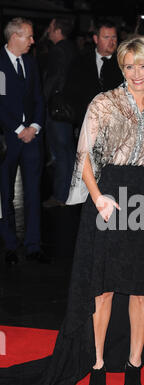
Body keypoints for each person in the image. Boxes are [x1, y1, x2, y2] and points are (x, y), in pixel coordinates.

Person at [0, 35, 144, 385]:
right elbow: (85, 157)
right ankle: (96, 363)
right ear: (121, 67)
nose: (136, 73)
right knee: (104, 287)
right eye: (129, 66)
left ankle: (134, 361)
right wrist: (98, 198)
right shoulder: (104, 102)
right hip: (108, 194)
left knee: (142, 289)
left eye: (143, 65)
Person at [0, 18, 46, 266]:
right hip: (9, 139)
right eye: (28, 36)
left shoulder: (30, 62)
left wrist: (35, 127)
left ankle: (33, 245)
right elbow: (1, 104)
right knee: (5, 193)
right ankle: (9, 245)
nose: (32, 41)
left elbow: (40, 97)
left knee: (33, 192)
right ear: (14, 37)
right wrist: (19, 128)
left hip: (32, 138)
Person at [43, 18, 77, 208]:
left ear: (57, 30)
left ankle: (60, 196)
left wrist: (42, 100)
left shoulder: (58, 50)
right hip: (67, 108)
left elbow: (53, 79)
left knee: (62, 153)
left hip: (57, 109)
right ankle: (69, 194)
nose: (48, 29)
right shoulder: (71, 48)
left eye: (50, 26)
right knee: (68, 152)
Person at [65, 19, 123, 129]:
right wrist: (84, 106)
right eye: (106, 37)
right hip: (87, 124)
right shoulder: (80, 62)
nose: (111, 42)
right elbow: (70, 92)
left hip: (115, 126)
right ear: (96, 39)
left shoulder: (123, 64)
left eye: (114, 37)